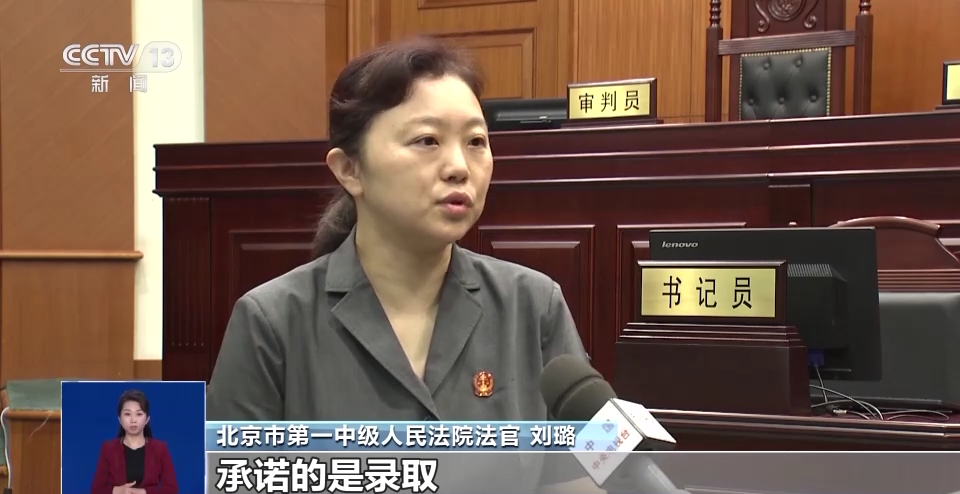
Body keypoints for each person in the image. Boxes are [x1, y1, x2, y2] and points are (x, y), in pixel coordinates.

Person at [206, 35, 602, 492]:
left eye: (476, 141)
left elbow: (582, 476)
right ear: (350, 169)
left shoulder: (532, 305)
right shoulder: (272, 321)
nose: (459, 166)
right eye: (427, 140)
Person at [90, 390, 178, 494]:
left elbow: (171, 489)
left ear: (147, 419)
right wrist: (117, 491)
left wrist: (144, 492)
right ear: (119, 419)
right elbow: (96, 490)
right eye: (127, 414)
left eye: (139, 414)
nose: (133, 420)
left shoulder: (160, 448)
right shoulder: (108, 449)